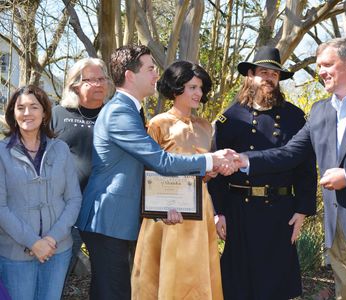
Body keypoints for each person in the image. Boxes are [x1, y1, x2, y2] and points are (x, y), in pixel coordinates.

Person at [238, 38, 346, 299]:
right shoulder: (320, 111)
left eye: (327, 64)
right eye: (318, 65)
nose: (320, 71)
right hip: (338, 236)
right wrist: (244, 160)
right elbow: (290, 153)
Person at [75, 45, 237, 300]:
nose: (155, 75)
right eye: (150, 69)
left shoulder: (132, 111)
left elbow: (147, 170)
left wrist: (165, 207)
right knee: (112, 294)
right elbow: (160, 161)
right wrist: (211, 160)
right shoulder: (120, 111)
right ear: (130, 75)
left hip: (119, 220)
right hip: (109, 219)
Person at [208, 47, 317, 300]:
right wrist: (218, 212)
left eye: (274, 75)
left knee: (275, 283)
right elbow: (217, 171)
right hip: (239, 210)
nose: (269, 78)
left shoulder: (294, 117)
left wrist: (302, 210)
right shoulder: (230, 118)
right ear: (250, 76)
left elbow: (306, 167)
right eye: (263, 72)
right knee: (239, 284)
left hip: (280, 211)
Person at [131, 60, 223, 299]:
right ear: (176, 88)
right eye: (192, 87)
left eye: (201, 88)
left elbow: (205, 168)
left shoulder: (206, 126)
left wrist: (211, 172)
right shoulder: (158, 124)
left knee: (196, 273)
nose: (198, 93)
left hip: (200, 210)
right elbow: (147, 171)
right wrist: (159, 210)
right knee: (166, 274)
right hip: (166, 211)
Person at [0, 85, 82, 300]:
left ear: (45, 112)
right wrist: (33, 242)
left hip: (58, 250)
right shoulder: (1, 153)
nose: (27, 113)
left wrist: (51, 239)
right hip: (16, 253)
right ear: (13, 113)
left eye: (34, 107)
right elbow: (0, 208)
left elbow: (73, 198)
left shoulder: (61, 149)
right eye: (21, 108)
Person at [51, 57, 113, 280]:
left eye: (102, 79)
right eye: (91, 80)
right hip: (64, 210)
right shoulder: (57, 114)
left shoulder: (114, 116)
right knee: (58, 273)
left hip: (102, 210)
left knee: (107, 277)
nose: (99, 84)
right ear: (75, 84)